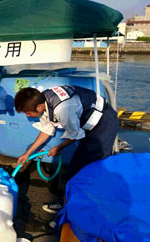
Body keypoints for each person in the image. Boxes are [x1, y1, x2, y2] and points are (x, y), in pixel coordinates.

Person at [14, 85, 119, 214]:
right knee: (77, 168)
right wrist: (27, 154)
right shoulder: (43, 99)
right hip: (87, 124)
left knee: (91, 168)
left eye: (28, 113)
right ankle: (69, 205)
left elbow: (75, 135)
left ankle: (88, 210)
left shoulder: (64, 109)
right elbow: (46, 130)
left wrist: (58, 147)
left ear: (39, 107)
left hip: (103, 124)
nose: (27, 116)